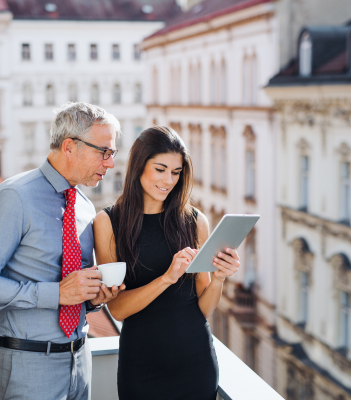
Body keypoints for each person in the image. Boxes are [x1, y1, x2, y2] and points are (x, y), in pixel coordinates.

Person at [0, 102, 126, 400]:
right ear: (70, 146)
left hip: (80, 363)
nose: (110, 164)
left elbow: (73, 291)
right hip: (27, 368)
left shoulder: (85, 207)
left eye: (111, 153)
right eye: (104, 152)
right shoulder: (14, 198)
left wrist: (93, 300)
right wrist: (56, 294)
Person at [93, 126, 241, 400]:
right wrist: (167, 277)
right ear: (139, 166)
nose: (169, 180)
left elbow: (202, 309)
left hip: (195, 365)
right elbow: (117, 309)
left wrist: (219, 277)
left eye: (176, 172)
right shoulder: (108, 222)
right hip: (141, 368)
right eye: (160, 169)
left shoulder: (195, 222)